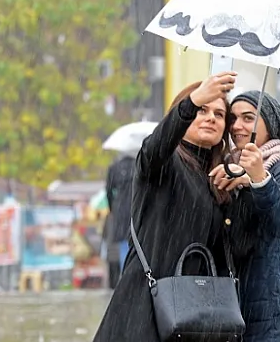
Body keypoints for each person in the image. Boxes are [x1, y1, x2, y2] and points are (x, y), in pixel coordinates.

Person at [93, 72, 237, 342]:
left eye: (219, 114)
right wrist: (192, 102)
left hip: (195, 317)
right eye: (202, 110)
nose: (211, 118)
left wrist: (249, 183)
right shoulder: (163, 163)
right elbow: (154, 147)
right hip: (145, 310)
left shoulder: (221, 179)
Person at [209, 90, 280, 342]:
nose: (237, 126)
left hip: (267, 315)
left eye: (248, 118)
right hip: (226, 306)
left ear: (270, 124)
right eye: (233, 118)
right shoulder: (228, 166)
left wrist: (260, 179)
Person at [103, 154, 135, 288]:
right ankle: (133, 279)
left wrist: (112, 209)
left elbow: (108, 191)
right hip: (135, 207)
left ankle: (125, 279)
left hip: (120, 210)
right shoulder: (138, 164)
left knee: (123, 245)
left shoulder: (114, 168)